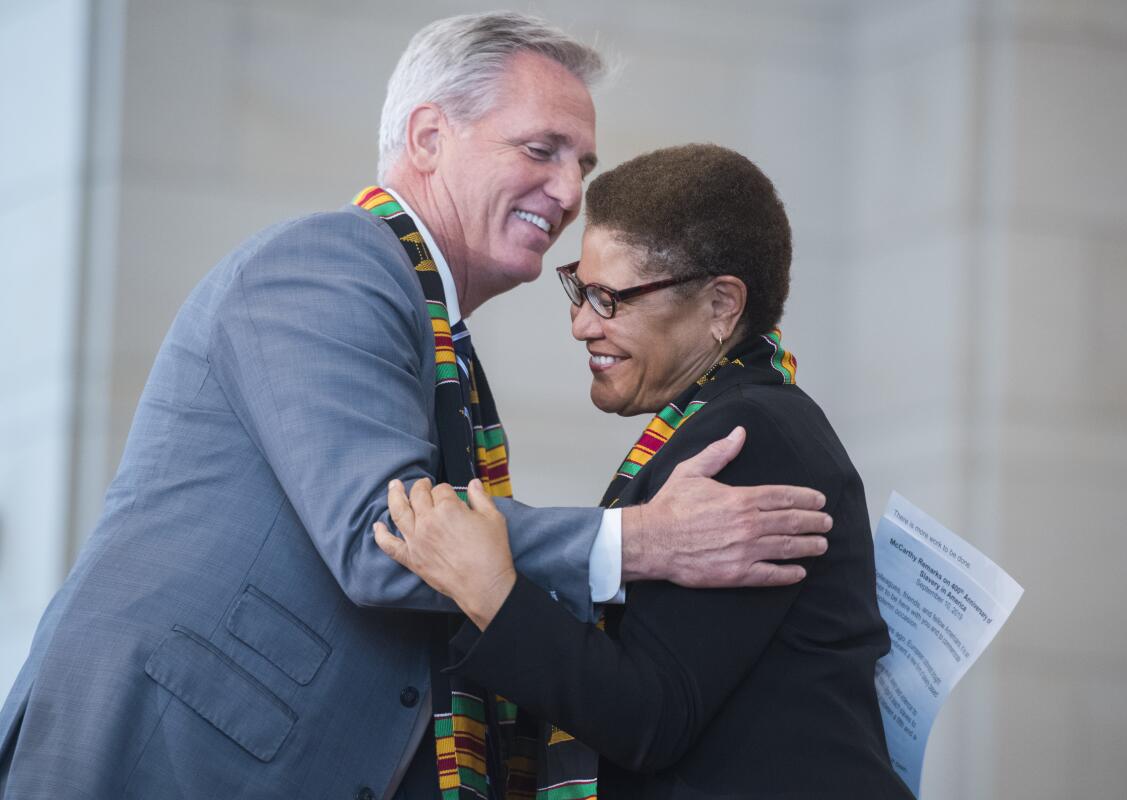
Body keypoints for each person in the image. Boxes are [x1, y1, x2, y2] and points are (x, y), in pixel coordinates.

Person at [0, 14, 835, 800]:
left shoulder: (434, 334)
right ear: (430, 137)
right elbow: (386, 535)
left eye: (581, 164)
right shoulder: (329, 263)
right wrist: (640, 540)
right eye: (543, 149)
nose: (570, 189)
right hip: (175, 753)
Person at [374, 144, 915, 798]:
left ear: (721, 306)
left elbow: (648, 717)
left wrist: (492, 590)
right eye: (579, 288)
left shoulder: (749, 440)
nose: (580, 324)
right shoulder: (730, 421)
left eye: (609, 298)